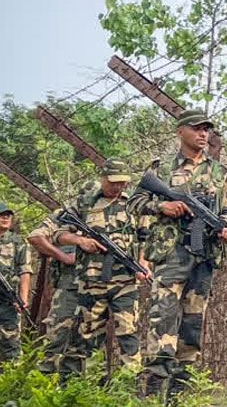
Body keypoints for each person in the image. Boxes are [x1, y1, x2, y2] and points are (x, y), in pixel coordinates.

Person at [130, 108, 227, 400]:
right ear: (180, 131)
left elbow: (226, 209)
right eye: (196, 128)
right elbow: (135, 202)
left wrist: (226, 228)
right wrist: (162, 207)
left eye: (207, 129)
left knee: (192, 323)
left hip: (203, 257)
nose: (203, 134)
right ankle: (151, 393)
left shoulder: (219, 171)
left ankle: (179, 394)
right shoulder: (162, 167)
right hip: (170, 254)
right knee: (163, 320)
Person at [51, 159, 147, 378]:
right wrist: (80, 241)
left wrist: (142, 264)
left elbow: (145, 238)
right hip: (91, 282)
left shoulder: (132, 205)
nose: (118, 187)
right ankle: (83, 386)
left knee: (129, 334)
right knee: (85, 334)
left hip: (125, 282)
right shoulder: (84, 204)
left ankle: (129, 386)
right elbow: (57, 234)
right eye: (113, 182)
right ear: (102, 178)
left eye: (122, 183)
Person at [27, 215, 81, 376]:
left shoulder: (117, 209)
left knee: (84, 342)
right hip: (69, 285)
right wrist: (62, 256)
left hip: (102, 287)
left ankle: (76, 387)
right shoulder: (67, 214)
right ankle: (45, 384)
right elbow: (35, 236)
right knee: (58, 335)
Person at [0, 201, 33, 363]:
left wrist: (22, 298)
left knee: (11, 344)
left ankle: (12, 383)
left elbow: (25, 270)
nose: (5, 217)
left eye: (8, 215)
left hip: (7, 300)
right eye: (1, 214)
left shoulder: (18, 242)